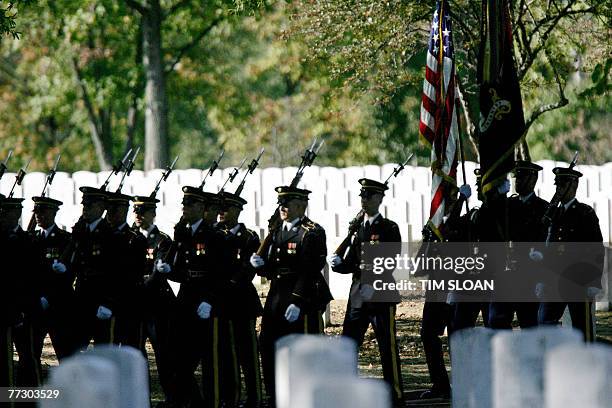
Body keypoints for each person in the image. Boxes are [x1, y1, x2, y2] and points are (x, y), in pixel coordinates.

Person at [250, 186, 332, 402]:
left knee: (305, 348)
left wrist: (297, 301)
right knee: (268, 343)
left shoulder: (312, 232)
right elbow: (274, 268)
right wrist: (260, 266)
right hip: (277, 296)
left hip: (304, 297)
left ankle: (310, 393)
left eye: (288, 204)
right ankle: (275, 394)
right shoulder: (277, 232)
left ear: (301, 206)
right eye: (281, 204)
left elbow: (310, 269)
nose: (283, 208)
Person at [328, 178, 404, 403]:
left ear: (379, 199)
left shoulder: (389, 228)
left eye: (368, 196)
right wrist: (339, 264)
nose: (364, 200)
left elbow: (391, 260)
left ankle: (396, 395)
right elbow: (352, 262)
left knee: (387, 348)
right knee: (349, 345)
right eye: (362, 196)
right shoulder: (358, 228)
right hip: (358, 295)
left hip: (381, 294)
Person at [157, 187, 233, 408]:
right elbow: (182, 272)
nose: (185, 208)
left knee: (210, 358)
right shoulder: (183, 233)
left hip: (206, 302)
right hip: (186, 299)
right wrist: (167, 269)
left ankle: (214, 402)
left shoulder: (214, 236)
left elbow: (221, 273)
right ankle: (190, 400)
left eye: (189, 205)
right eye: (184, 204)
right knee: (178, 356)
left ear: (201, 208)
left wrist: (210, 299)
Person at [535, 166, 604, 341]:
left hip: (578, 281)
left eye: (562, 185)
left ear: (573, 186)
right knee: (544, 321)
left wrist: (594, 280)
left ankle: (586, 362)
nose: (558, 189)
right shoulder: (555, 213)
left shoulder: (585, 213)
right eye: (557, 185)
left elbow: (596, 249)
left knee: (582, 328)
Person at [217, 191, 263, 408]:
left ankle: (255, 396)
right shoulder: (214, 234)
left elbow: (247, 270)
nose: (221, 212)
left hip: (242, 301)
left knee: (248, 353)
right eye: (220, 208)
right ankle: (231, 397)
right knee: (226, 352)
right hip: (220, 302)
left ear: (237, 210)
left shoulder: (249, 237)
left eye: (226, 208)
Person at [131, 195, 175, 407]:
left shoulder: (162, 240)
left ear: (152, 214)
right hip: (135, 305)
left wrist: (138, 287)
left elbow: (158, 273)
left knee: (163, 354)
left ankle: (171, 397)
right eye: (135, 212)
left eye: (142, 212)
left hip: (156, 304)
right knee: (136, 354)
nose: (137, 216)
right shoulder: (129, 237)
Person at [63, 186, 117, 348]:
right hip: (81, 298)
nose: (84, 209)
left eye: (89, 206)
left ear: (101, 208)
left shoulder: (110, 234)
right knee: (76, 349)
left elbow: (115, 272)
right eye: (84, 206)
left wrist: (109, 302)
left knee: (103, 351)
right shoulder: (80, 230)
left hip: (101, 299)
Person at [0, 197, 41, 386]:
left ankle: (31, 401)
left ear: (16, 214)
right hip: (4, 309)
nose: (2, 218)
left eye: (6, 213)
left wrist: (22, 309)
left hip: (24, 311)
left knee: (28, 358)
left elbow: (32, 278)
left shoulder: (28, 241)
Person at [30, 196, 76, 361]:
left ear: (53, 213)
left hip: (59, 305)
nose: (38, 215)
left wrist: (48, 297)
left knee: (65, 354)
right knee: (31, 354)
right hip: (36, 305)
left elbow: (69, 275)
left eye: (42, 212)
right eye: (36, 212)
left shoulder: (65, 239)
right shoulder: (31, 238)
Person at [103, 191, 148, 349]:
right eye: (108, 210)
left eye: (114, 210)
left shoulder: (135, 239)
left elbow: (133, 274)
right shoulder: (102, 236)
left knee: (131, 349)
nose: (109, 214)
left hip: (129, 304)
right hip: (106, 303)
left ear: (123, 212)